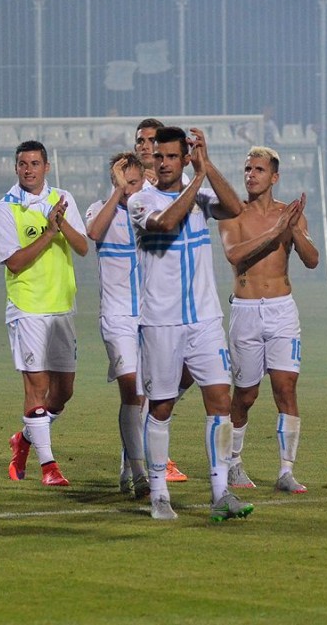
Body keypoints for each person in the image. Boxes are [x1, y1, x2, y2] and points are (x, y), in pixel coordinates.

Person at [127, 126, 252, 522]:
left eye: (170, 156)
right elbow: (164, 224)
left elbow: (235, 209)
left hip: (204, 318)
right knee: (161, 405)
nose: (161, 163)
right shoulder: (140, 199)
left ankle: (220, 493)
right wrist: (196, 178)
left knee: (219, 400)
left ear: (183, 157)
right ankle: (159, 493)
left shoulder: (201, 193)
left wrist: (207, 166)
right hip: (161, 322)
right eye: (157, 156)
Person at [218, 146, 319, 494]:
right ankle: (232, 463)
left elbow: (312, 259)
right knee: (245, 395)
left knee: (286, 388)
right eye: (247, 169)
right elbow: (235, 254)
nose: (251, 175)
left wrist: (292, 230)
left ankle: (286, 471)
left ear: (274, 177)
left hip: (282, 311)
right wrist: (276, 232)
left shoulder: (287, 214)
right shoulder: (233, 213)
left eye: (259, 170)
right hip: (245, 311)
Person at [0, 140, 88, 487]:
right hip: (27, 308)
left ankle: (24, 439)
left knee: (63, 392)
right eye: (22, 163)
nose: (28, 169)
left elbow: (82, 247)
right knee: (37, 387)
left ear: (46, 166)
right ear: (16, 168)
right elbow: (14, 262)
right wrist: (49, 232)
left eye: (34, 163)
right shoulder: (5, 208)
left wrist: (61, 224)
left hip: (62, 308)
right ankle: (49, 467)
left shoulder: (62, 199)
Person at [85, 152, 150, 498]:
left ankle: (129, 462)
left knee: (147, 396)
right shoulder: (100, 209)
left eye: (134, 183)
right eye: (122, 183)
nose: (129, 190)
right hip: (117, 317)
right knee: (131, 390)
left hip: (151, 316)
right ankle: (140, 473)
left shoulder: (150, 212)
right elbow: (93, 233)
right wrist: (118, 192)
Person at [132, 118, 190, 484]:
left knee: (170, 384)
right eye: (142, 142)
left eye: (153, 142)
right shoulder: (133, 190)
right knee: (135, 390)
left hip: (174, 301)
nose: (147, 148)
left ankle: (142, 459)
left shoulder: (178, 187)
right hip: (130, 302)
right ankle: (142, 467)